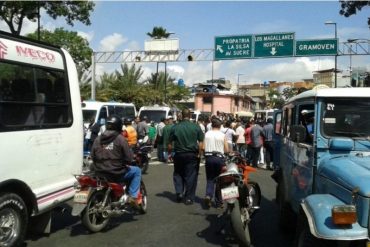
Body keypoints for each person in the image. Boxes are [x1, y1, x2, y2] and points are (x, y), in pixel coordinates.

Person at [90, 115, 142, 206]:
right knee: (137, 171)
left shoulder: (98, 138)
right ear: (119, 126)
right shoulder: (120, 138)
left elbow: (92, 155)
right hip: (116, 172)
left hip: (99, 171)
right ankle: (133, 197)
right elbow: (129, 158)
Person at [168, 108, 204, 205]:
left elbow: (170, 143)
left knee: (178, 173)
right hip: (192, 154)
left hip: (179, 154)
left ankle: (179, 192)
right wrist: (199, 154)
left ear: (181, 116)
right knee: (191, 175)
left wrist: (170, 153)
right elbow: (201, 142)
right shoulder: (196, 127)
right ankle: (189, 197)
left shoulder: (175, 127)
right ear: (190, 116)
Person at [203, 118, 229, 209]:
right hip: (219, 159)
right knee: (220, 181)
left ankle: (208, 195)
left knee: (210, 179)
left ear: (212, 125)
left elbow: (203, 147)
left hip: (209, 158)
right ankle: (219, 202)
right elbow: (226, 149)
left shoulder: (207, 134)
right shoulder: (222, 135)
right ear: (220, 126)